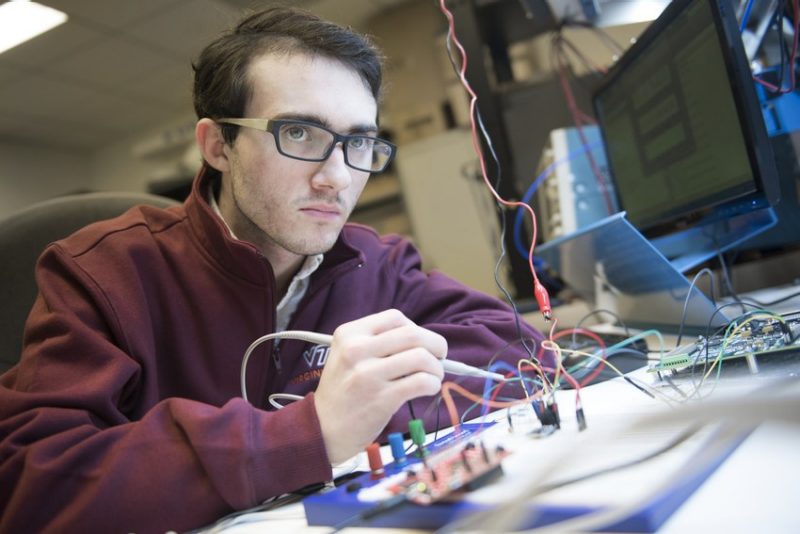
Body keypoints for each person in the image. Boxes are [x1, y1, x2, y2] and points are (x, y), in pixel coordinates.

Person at [0, 6, 544, 533]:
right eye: (300, 134)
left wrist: (362, 411)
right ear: (218, 146)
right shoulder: (103, 271)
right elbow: (32, 480)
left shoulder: (376, 261)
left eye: (357, 141)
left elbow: (521, 353)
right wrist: (306, 435)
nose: (336, 177)